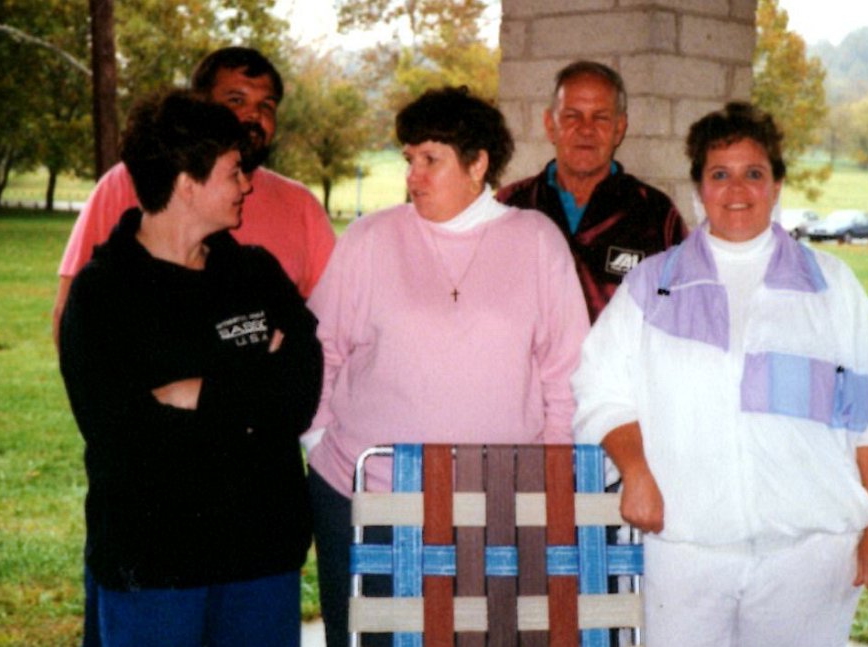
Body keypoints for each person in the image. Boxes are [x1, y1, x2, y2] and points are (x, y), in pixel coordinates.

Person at [571, 102, 868, 646]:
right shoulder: (652, 286)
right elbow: (599, 388)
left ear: (776, 184)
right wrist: (635, 471)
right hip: (685, 551)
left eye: (753, 173)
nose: (737, 189)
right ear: (699, 187)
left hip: (808, 557)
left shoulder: (830, 286)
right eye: (720, 174)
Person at [304, 86, 590, 646]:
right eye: (409, 159)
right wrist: (318, 444)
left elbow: (565, 374)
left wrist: (548, 482)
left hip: (498, 505)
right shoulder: (369, 238)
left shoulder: (536, 241)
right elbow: (322, 349)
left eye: (430, 159)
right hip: (369, 497)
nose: (413, 176)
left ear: (477, 164)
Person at [58, 90, 323, 647]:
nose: (247, 185)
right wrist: (251, 403)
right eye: (233, 172)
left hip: (262, 562)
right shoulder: (103, 294)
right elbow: (123, 436)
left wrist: (196, 394)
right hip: (155, 569)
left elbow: (297, 395)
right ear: (186, 183)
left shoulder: (256, 273)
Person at [52, 46, 335, 345]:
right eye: (236, 100)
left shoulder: (300, 206)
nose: (255, 115)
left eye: (267, 105)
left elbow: (330, 329)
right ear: (199, 106)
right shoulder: (126, 182)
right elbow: (72, 318)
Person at [497, 60, 687, 321]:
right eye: (572, 116)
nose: (586, 129)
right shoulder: (510, 206)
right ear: (550, 125)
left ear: (619, 129)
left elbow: (680, 306)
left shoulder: (655, 214)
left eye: (601, 117)